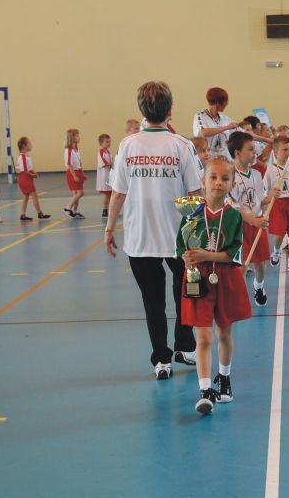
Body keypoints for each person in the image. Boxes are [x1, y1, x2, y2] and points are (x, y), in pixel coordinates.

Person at [105, 80, 203, 379]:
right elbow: (196, 192)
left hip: (139, 238)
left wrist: (109, 229)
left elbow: (118, 193)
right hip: (179, 237)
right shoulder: (181, 145)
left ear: (142, 111)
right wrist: (200, 229)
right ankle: (184, 346)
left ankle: (162, 360)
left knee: (153, 301)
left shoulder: (127, 145)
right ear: (170, 110)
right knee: (186, 292)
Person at [177, 156, 252, 414]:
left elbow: (234, 254)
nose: (218, 183)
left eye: (224, 178)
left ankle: (225, 377)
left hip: (225, 278)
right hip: (197, 279)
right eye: (213, 177)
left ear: (232, 184)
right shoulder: (190, 213)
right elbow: (180, 246)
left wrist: (205, 255)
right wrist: (187, 258)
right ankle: (205, 390)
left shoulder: (233, 217)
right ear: (203, 180)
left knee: (223, 334)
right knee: (204, 337)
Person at [227, 131, 272, 306]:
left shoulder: (257, 174)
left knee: (260, 264)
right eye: (251, 149)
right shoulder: (229, 176)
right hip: (239, 226)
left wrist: (273, 196)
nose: (255, 152)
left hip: (257, 224)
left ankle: (258, 286)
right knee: (242, 265)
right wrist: (253, 220)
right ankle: (237, 298)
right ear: (238, 152)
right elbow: (234, 208)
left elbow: (260, 200)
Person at [264, 135, 289, 273]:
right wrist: (271, 194)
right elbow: (264, 190)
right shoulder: (270, 170)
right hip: (278, 205)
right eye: (285, 150)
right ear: (275, 152)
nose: (288, 152)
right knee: (279, 235)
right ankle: (276, 251)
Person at [192, 87, 238, 159]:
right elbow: (203, 132)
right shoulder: (200, 116)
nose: (227, 103)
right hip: (209, 161)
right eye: (225, 101)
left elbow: (239, 130)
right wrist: (227, 127)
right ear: (217, 103)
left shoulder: (225, 118)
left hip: (226, 160)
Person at [15, 137, 50, 221]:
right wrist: (32, 175)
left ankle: (22, 214)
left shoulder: (26, 156)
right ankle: (40, 213)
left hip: (26, 178)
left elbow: (29, 168)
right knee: (34, 195)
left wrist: (34, 172)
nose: (31, 145)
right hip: (25, 178)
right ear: (24, 146)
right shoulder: (23, 157)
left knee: (26, 196)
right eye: (29, 143)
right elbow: (24, 171)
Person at [63, 129, 86, 218]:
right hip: (72, 173)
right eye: (77, 136)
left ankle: (74, 211)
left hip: (78, 171)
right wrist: (74, 176)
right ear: (72, 138)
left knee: (76, 193)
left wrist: (82, 173)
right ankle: (68, 207)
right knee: (80, 193)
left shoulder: (76, 149)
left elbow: (79, 162)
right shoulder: (69, 150)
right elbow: (69, 164)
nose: (79, 137)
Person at [96, 134, 113, 218]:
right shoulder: (101, 152)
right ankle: (105, 210)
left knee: (110, 194)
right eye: (107, 142)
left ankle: (110, 210)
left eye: (109, 142)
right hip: (104, 177)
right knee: (107, 194)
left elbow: (111, 162)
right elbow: (103, 163)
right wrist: (110, 164)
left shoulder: (108, 152)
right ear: (101, 143)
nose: (109, 143)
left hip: (109, 176)